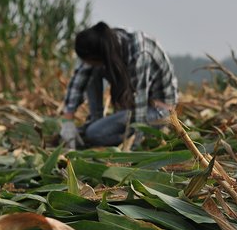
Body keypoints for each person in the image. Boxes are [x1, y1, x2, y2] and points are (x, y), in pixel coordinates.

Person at [59, 22, 178, 150]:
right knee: (91, 71)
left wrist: (133, 147)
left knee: (93, 134)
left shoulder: (139, 54)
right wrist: (68, 121)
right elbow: (79, 78)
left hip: (159, 111)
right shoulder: (105, 43)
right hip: (131, 109)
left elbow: (140, 109)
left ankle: (141, 135)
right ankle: (96, 121)